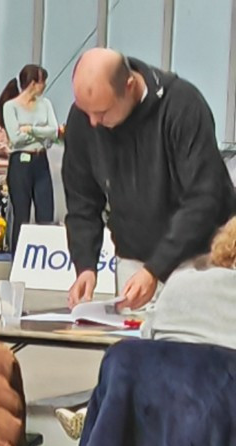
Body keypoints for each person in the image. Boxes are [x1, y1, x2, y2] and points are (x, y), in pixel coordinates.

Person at [63, 48, 236, 311]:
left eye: (102, 111)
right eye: (84, 111)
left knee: (193, 347)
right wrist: (85, 265)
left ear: (129, 86)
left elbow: (203, 198)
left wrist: (156, 268)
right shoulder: (85, 119)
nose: (93, 122)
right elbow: (81, 201)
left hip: (198, 259)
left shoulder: (181, 105)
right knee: (136, 347)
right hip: (135, 260)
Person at [56, 216, 236, 440]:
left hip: (161, 418)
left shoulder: (180, 284)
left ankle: (95, 413)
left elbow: (146, 338)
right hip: (221, 424)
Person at [0, 64, 59, 250]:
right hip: (20, 163)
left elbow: (54, 132)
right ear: (33, 83)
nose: (44, 86)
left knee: (45, 211)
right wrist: (42, 133)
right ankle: (17, 256)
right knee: (21, 213)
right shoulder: (11, 107)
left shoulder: (45, 104)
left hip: (41, 160)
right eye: (43, 82)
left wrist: (30, 129)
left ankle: (45, 256)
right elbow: (16, 138)